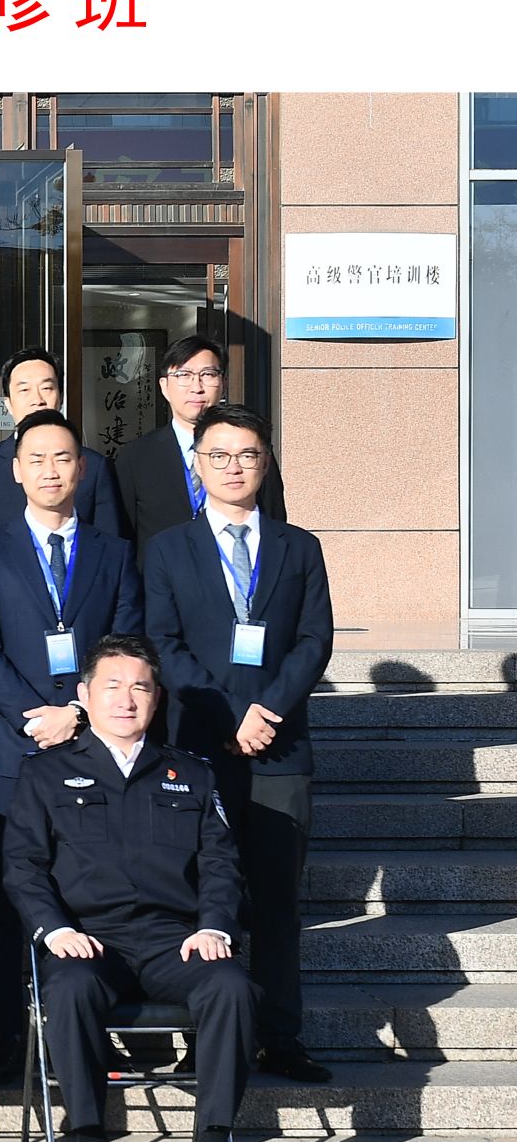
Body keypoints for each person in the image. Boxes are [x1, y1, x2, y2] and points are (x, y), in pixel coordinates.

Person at [4, 633, 264, 1142]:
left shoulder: (191, 774)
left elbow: (221, 863)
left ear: (157, 698)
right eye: (113, 686)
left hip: (176, 941)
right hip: (88, 941)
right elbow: (22, 866)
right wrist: (55, 930)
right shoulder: (46, 773)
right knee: (69, 990)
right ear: (84, 696)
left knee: (232, 988)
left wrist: (215, 925)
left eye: (140, 688)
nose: (126, 699)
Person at [144, 402, 333, 1084]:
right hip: (199, 745)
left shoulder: (298, 547)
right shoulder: (167, 549)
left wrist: (267, 712)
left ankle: (282, 1036)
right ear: (197, 465)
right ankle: (205, 1035)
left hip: (280, 750)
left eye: (247, 454)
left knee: (278, 900)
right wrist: (229, 717)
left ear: (266, 463)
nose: (233, 467)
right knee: (201, 896)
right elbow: (162, 643)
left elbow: (314, 640)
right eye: (218, 455)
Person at [0, 409, 143, 1084]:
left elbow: (125, 641)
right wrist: (35, 716)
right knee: (7, 892)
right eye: (36, 459)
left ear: (82, 469)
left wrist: (78, 712)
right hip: (15, 745)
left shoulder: (113, 552)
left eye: (63, 458)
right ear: (15, 471)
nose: (50, 471)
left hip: (93, 745)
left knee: (93, 886)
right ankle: (5, 1032)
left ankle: (93, 1024)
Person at [113, 336, 286, 559]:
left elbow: (274, 521)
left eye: (208, 375)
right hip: (163, 578)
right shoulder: (136, 456)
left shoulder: (250, 451)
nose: (196, 387)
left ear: (223, 383)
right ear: (164, 386)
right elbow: (122, 538)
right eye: (184, 375)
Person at [0, 348, 122, 537]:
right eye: (24, 390)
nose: (37, 400)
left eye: (46, 388)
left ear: (61, 397)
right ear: (8, 404)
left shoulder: (94, 466)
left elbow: (109, 543)